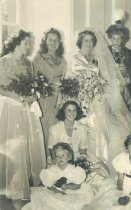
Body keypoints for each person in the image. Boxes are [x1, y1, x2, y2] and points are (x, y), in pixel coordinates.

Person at [66, 28, 131, 176]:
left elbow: (103, 79)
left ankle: (99, 165)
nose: (88, 43)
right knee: (83, 130)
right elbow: (69, 81)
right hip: (80, 100)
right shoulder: (75, 58)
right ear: (80, 42)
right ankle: (82, 167)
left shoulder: (95, 59)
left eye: (91, 41)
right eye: (86, 41)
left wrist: (100, 88)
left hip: (96, 100)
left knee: (99, 130)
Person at [0, 29, 46, 209]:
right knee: (13, 148)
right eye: (27, 43)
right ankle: (13, 190)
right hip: (9, 110)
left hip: (25, 109)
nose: (29, 47)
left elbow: (33, 85)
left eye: (30, 43)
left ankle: (21, 187)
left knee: (24, 147)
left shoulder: (28, 64)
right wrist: (17, 96)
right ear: (16, 43)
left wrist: (33, 95)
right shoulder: (3, 62)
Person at [82, 134, 131, 210]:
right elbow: (120, 179)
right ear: (127, 148)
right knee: (111, 200)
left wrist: (129, 196)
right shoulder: (122, 158)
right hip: (125, 183)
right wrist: (120, 192)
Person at [22, 142, 93, 210]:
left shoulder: (74, 170)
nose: (60, 158)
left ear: (69, 157)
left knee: (74, 202)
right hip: (55, 191)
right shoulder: (52, 170)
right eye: (57, 156)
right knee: (45, 199)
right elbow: (49, 186)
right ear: (54, 158)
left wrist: (68, 187)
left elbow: (78, 186)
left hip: (72, 191)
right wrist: (58, 192)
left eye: (63, 155)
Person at [33, 28, 67, 156]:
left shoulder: (62, 60)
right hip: (44, 100)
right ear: (45, 42)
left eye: (56, 40)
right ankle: (44, 161)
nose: (53, 43)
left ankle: (56, 162)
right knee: (44, 130)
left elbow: (64, 79)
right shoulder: (39, 58)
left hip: (58, 99)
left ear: (59, 43)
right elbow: (32, 80)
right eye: (50, 40)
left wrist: (62, 91)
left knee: (57, 131)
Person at [106, 21, 131, 114]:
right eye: (114, 38)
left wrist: (128, 79)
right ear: (110, 38)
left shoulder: (130, 54)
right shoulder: (105, 52)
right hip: (109, 89)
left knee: (124, 114)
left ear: (123, 39)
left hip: (126, 89)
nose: (116, 41)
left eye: (119, 38)